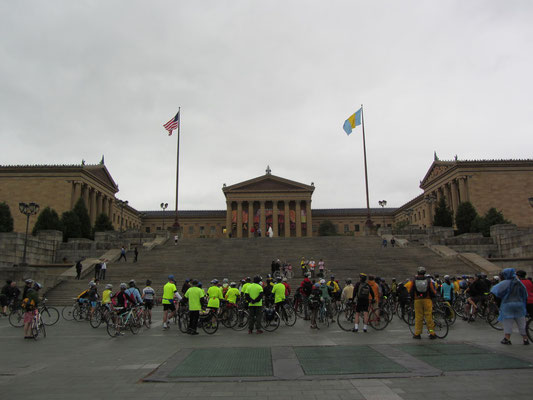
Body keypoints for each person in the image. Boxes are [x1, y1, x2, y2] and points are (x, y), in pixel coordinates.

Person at [491, 268, 529, 345]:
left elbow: (494, 291)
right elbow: (525, 293)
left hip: (507, 305)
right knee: (522, 323)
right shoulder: (518, 282)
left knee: (508, 322)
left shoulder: (505, 283)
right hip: (519, 305)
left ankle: (507, 338)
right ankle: (525, 339)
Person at [407, 266, 437, 339]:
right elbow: (433, 291)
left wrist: (412, 298)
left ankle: (417, 333)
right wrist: (434, 296)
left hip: (417, 300)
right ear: (424, 273)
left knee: (418, 317)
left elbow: (410, 291)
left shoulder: (414, 281)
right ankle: (431, 332)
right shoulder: (428, 280)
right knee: (428, 316)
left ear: (418, 272)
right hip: (427, 299)